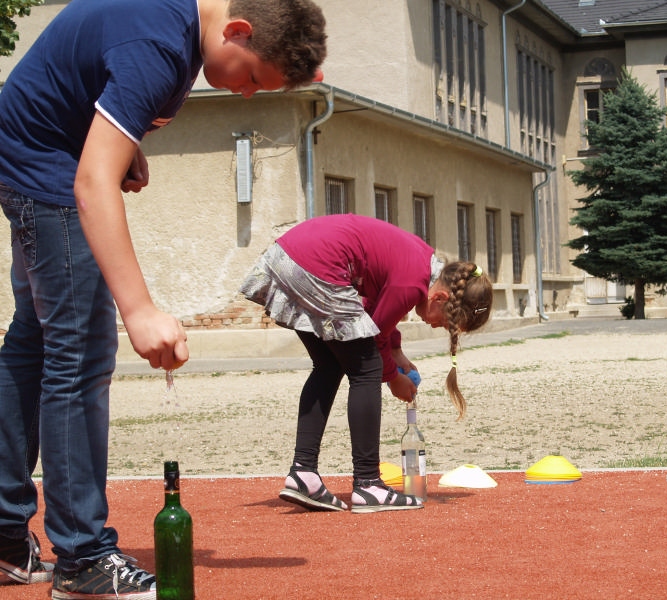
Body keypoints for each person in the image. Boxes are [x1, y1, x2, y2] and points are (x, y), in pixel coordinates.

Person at [0, 0, 325, 597]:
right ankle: (82, 558)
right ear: (238, 31)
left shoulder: (177, 25)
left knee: (35, 340)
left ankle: (2, 537)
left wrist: (124, 142)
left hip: (37, 148)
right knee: (78, 350)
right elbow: (92, 183)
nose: (247, 94)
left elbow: (91, 80)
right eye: (254, 77)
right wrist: (140, 311)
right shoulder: (158, 45)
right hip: (45, 167)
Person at [240, 214, 493, 513]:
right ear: (439, 297)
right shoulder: (412, 282)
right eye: (446, 323)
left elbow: (374, 311)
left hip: (290, 256)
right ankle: (368, 483)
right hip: (317, 265)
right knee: (368, 370)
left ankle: (303, 473)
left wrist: (396, 351)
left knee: (329, 365)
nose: (438, 327)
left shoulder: (420, 264)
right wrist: (393, 377)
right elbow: (374, 336)